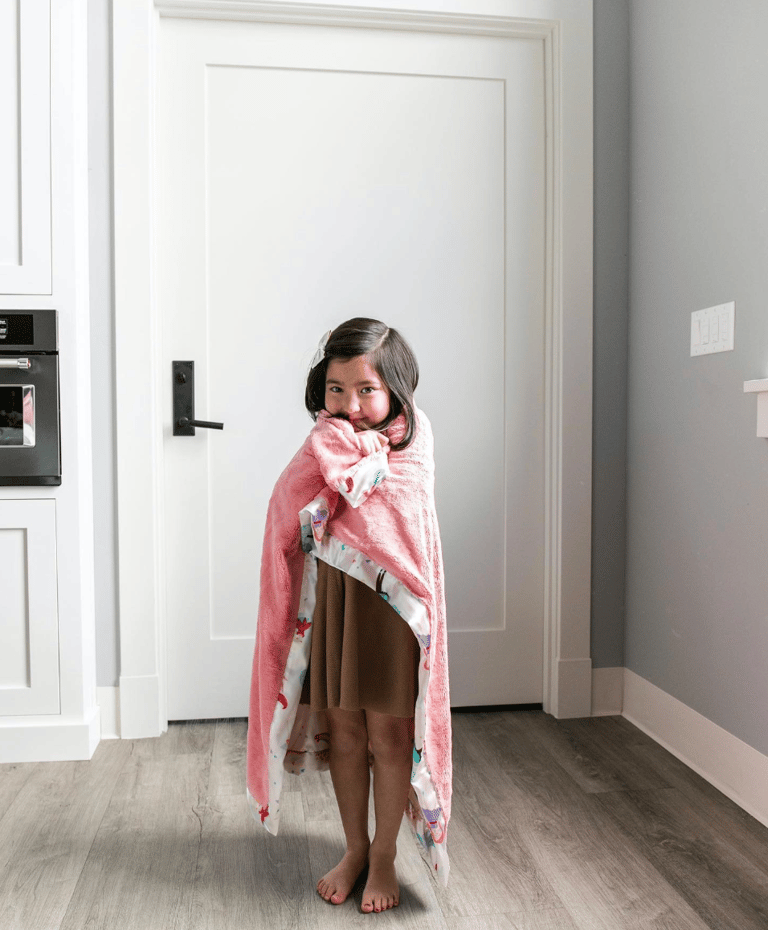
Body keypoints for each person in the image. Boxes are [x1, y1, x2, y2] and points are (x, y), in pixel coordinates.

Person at [246, 318, 452, 913]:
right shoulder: (323, 442)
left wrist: (335, 500)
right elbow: (292, 507)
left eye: (366, 389)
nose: (352, 405)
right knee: (345, 730)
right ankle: (355, 848)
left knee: (389, 732)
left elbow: (401, 515)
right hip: (336, 593)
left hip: (392, 603)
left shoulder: (412, 443)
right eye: (337, 389)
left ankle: (385, 853)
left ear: (395, 389)